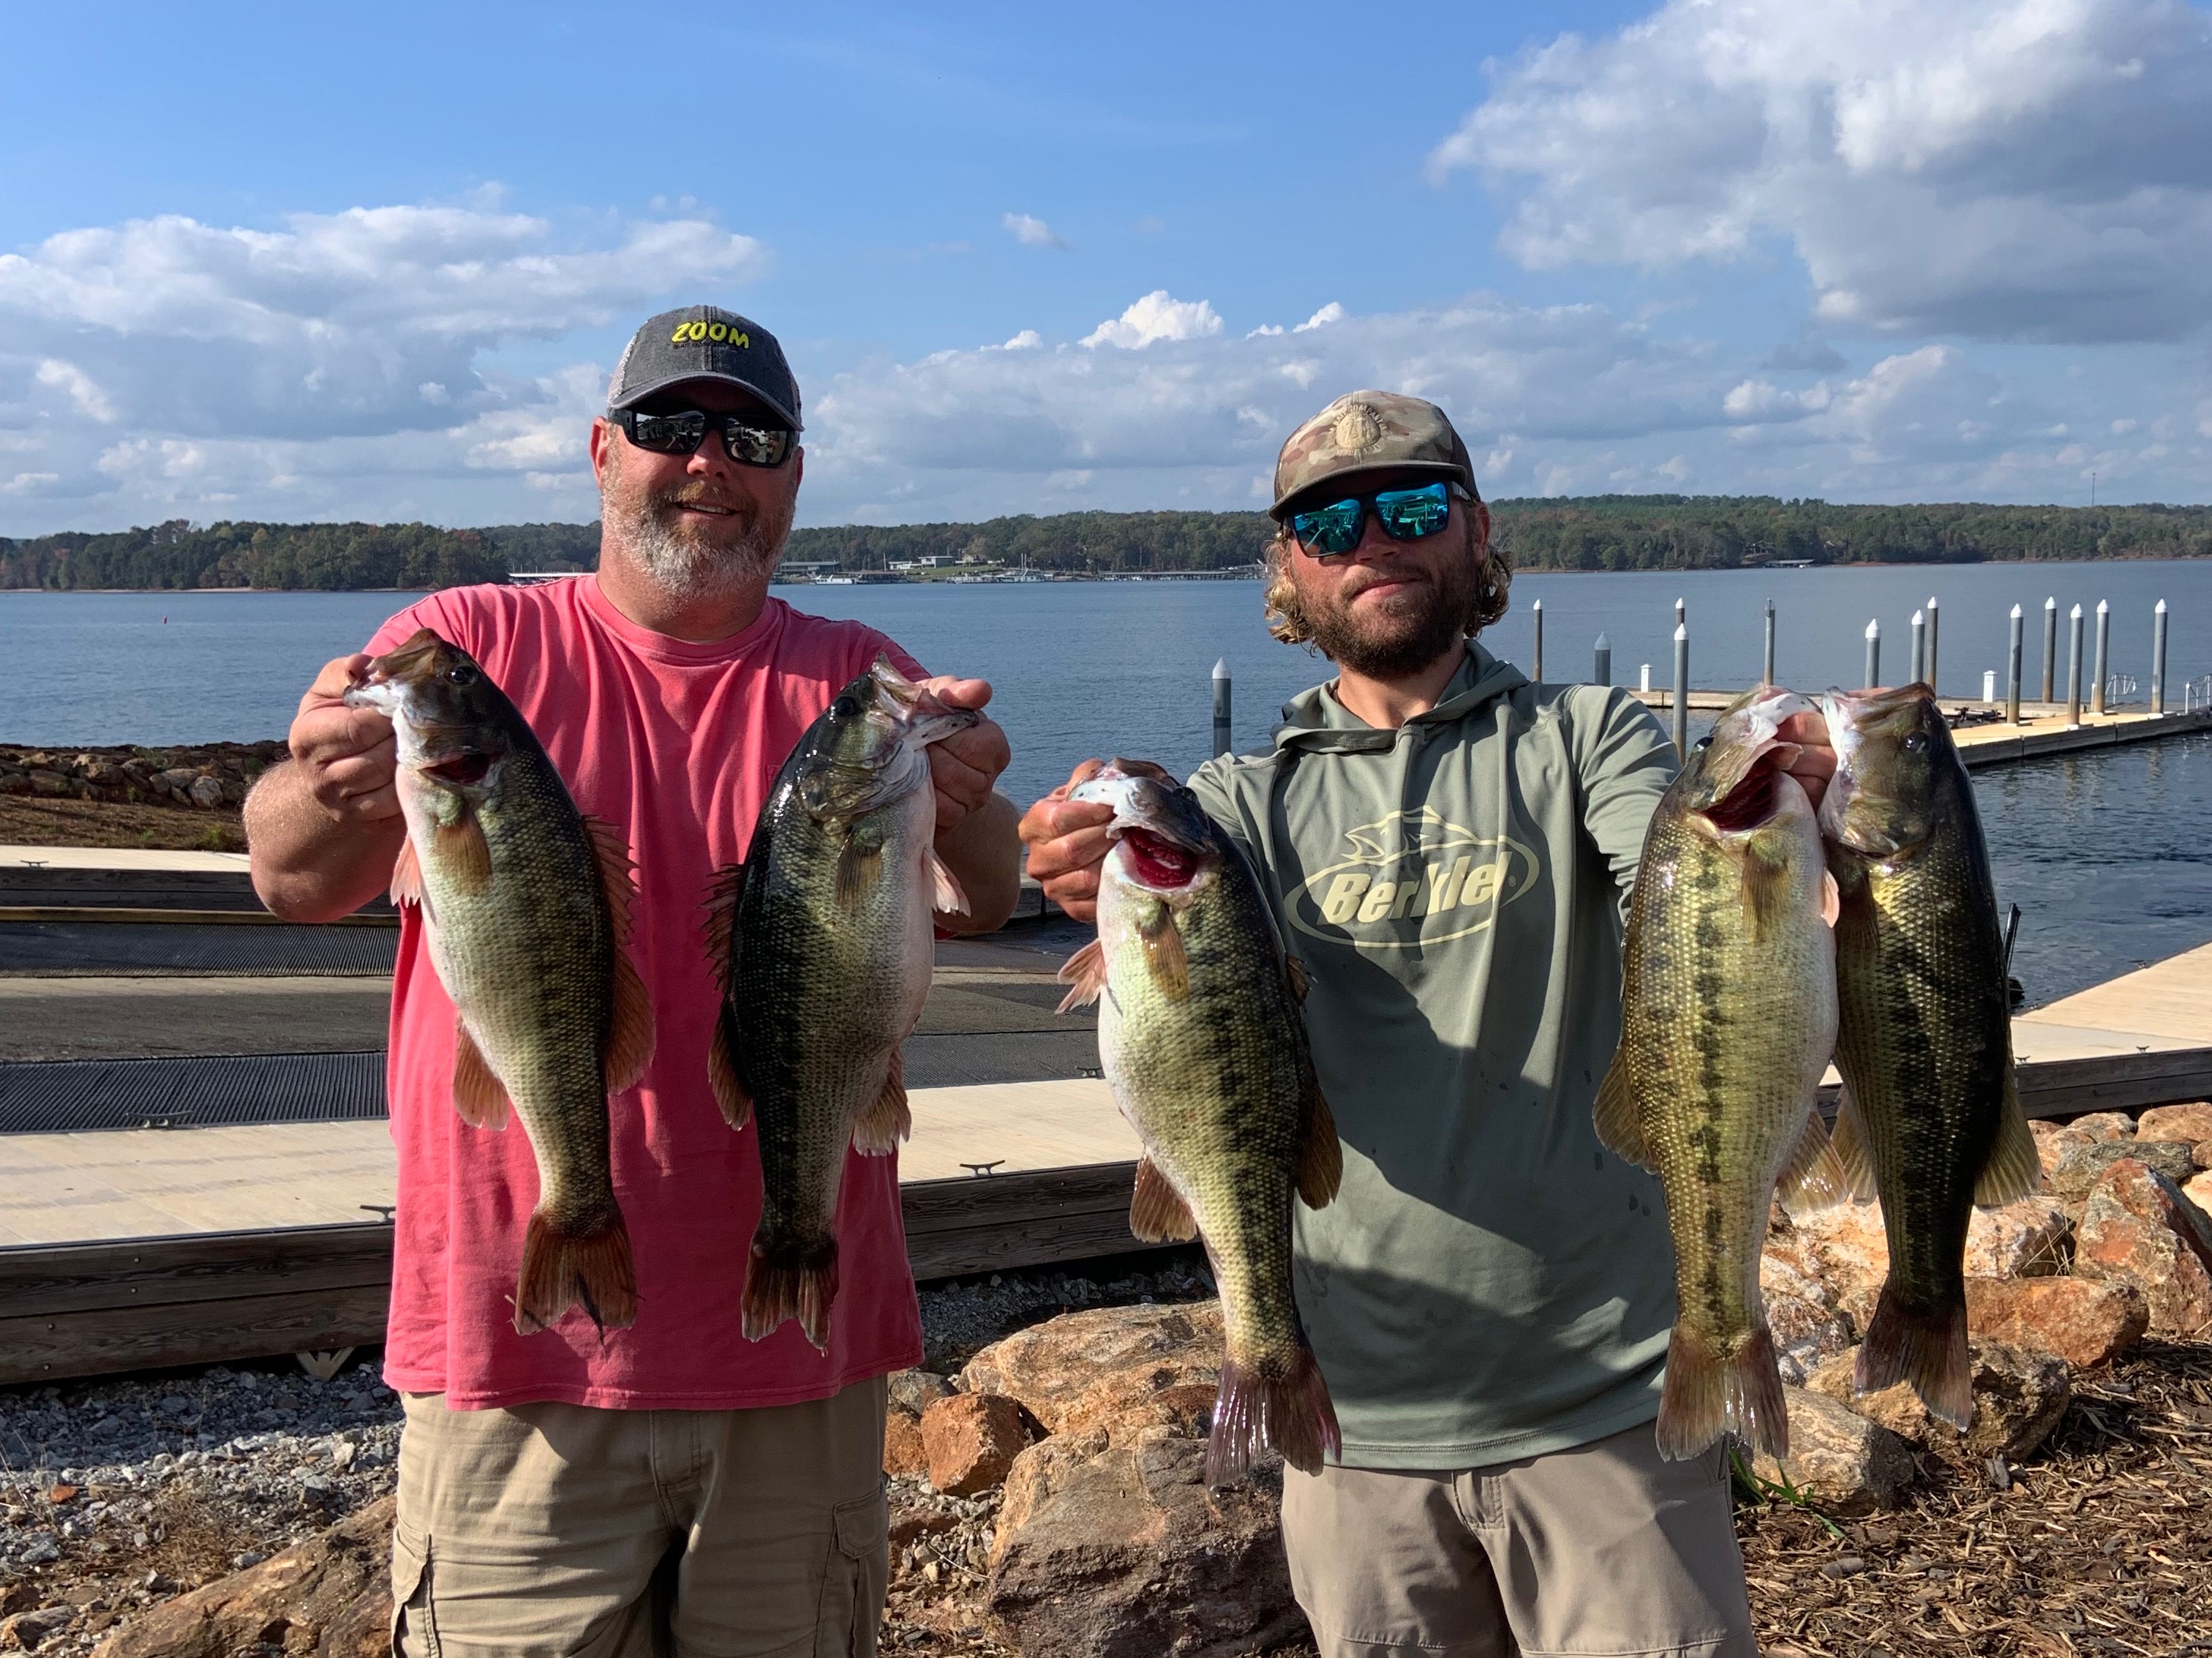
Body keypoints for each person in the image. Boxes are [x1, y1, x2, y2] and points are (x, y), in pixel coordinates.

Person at [247, 306, 1021, 1658]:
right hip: (513, 1348)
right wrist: (326, 784)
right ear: (602, 453)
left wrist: (961, 798)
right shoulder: (463, 647)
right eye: (671, 428)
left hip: (799, 1351)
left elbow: (994, 892)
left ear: (793, 474)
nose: (710, 462)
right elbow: (290, 874)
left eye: (752, 435)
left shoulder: (859, 679)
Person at [1021, 391, 1834, 1658]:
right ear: (1287, 564)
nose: (1373, 541)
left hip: (1606, 1401)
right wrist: (1083, 865)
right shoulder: (1234, 803)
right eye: (1328, 519)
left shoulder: (1587, 739)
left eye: (1409, 506)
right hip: (1351, 1427)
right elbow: (1174, 982)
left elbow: (1680, 897)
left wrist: (1767, 826)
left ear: (1475, 531)